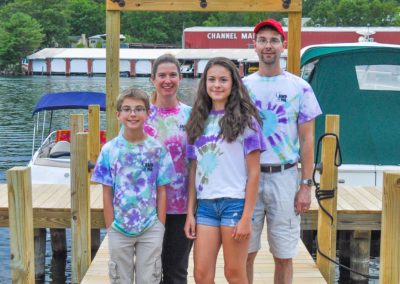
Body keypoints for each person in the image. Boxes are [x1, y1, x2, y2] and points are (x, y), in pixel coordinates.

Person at [243, 19, 322, 284]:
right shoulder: (242, 87)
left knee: (284, 255)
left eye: (274, 40)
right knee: (246, 252)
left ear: (283, 45)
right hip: (247, 178)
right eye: (262, 40)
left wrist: (305, 185)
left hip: (285, 177)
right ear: (254, 46)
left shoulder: (300, 87)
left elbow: (308, 139)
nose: (268, 46)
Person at [184, 57, 266, 284]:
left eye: (223, 80)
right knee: (201, 274)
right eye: (211, 80)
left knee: (234, 272)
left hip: (234, 204)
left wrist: (247, 218)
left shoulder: (247, 121)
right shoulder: (197, 120)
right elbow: (193, 170)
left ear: (233, 84)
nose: (217, 85)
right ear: (204, 84)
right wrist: (190, 212)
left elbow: (254, 173)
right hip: (206, 207)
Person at [91, 87, 175, 283]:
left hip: (150, 227)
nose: (133, 114)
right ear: (118, 115)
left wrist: (160, 225)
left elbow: (162, 190)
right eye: (127, 109)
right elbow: (106, 191)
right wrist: (111, 225)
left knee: (150, 278)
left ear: (147, 113)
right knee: (120, 278)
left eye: (139, 109)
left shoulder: (157, 149)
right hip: (119, 228)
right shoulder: (109, 150)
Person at [147, 53, 193, 284]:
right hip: (147, 207)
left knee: (176, 272)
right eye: (162, 75)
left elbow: (197, 164)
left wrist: (194, 209)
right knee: (149, 271)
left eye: (172, 75)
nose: (168, 80)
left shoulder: (191, 115)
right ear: (152, 79)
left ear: (180, 78)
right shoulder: (140, 115)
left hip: (181, 208)